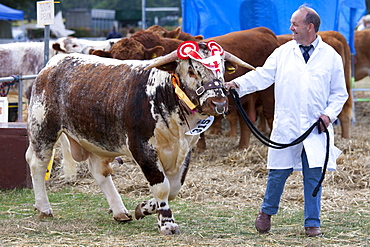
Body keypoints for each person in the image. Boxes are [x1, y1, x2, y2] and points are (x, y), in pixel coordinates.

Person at [225, 5, 348, 237]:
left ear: (309, 27)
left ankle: (312, 222)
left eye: (295, 24)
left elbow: (340, 93)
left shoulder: (330, 56)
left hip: (315, 128)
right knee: (277, 173)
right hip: (287, 125)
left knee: (314, 176)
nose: (290, 28)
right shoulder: (283, 52)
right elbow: (263, 75)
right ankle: (266, 213)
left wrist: (329, 115)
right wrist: (237, 85)